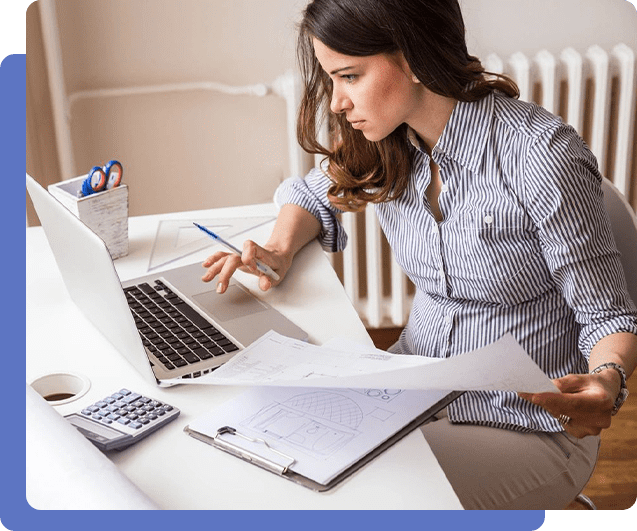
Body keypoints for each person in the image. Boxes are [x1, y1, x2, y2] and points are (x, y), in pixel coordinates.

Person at [201, 0, 637, 509]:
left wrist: (608, 379)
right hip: (413, 388)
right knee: (257, 443)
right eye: (331, 79)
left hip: (527, 423)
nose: (337, 102)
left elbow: (607, 313)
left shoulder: (540, 156)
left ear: (412, 58)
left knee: (348, 498)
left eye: (350, 76)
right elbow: (311, 194)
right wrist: (277, 247)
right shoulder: (391, 141)